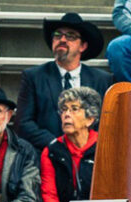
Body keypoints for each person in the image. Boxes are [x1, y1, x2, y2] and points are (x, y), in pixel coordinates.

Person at [15, 13, 112, 152]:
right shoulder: (34, 77)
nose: (62, 39)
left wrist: (86, 145)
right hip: (47, 153)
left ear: (83, 46)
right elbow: (23, 123)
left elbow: (106, 124)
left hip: (89, 156)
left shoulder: (102, 80)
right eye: (57, 35)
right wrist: (54, 143)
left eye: (70, 36)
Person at [40, 87, 101, 202]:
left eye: (74, 109)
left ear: (90, 119)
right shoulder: (51, 151)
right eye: (64, 109)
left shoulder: (103, 147)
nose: (67, 114)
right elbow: (49, 195)